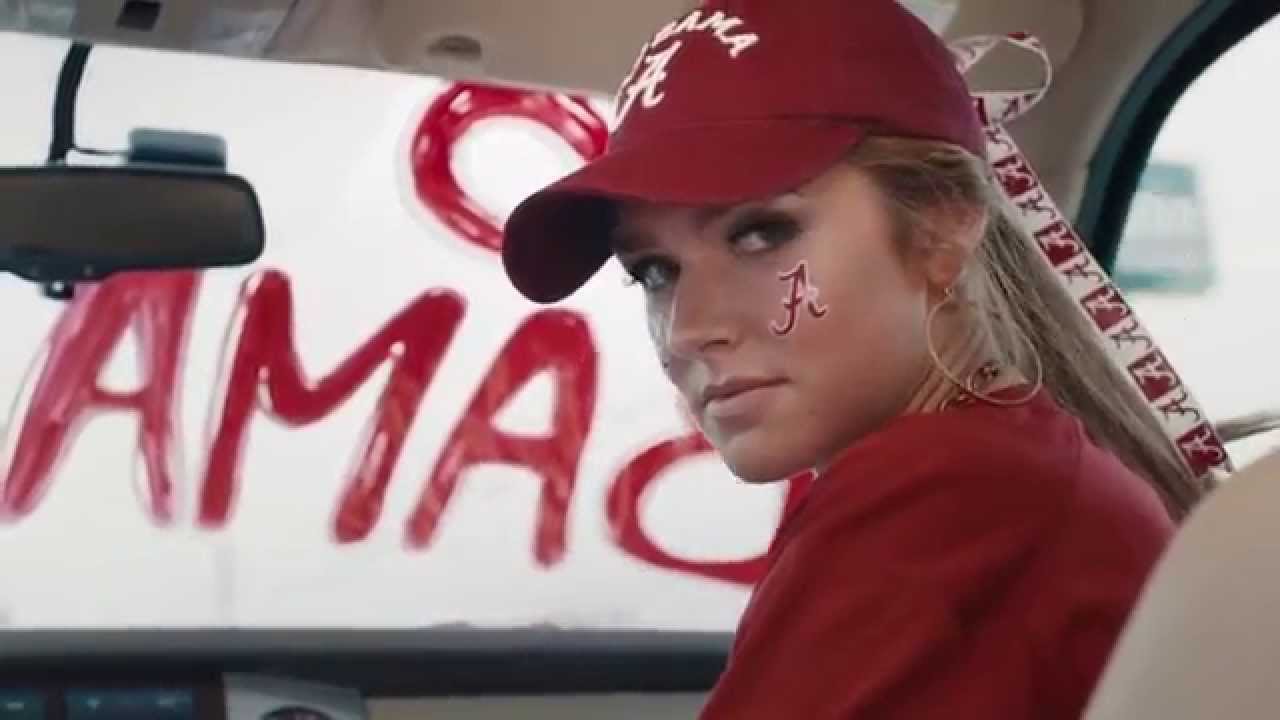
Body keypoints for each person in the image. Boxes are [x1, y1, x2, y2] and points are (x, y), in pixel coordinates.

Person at [501, 0, 1209, 717]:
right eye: (655, 272)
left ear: (942, 226)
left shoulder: (944, 490)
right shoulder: (1019, 463)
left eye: (760, 233)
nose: (688, 328)